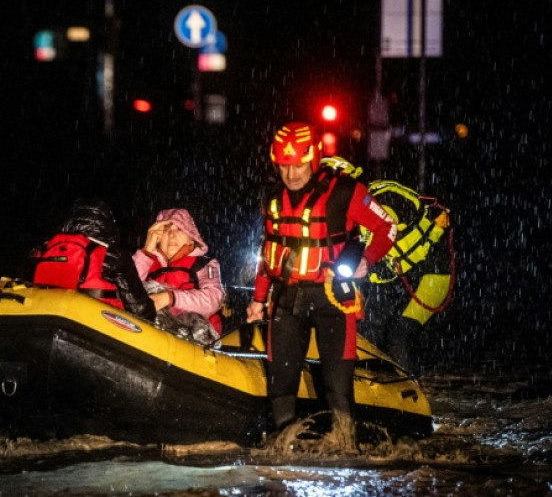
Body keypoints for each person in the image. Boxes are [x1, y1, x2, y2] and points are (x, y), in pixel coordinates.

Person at [245, 122, 396, 447]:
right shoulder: (272, 197)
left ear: (314, 159)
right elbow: (269, 251)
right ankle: (285, 452)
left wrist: (367, 259)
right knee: (281, 384)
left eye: (298, 165)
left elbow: (387, 227)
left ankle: (346, 448)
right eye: (284, 165)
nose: (291, 174)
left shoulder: (345, 190)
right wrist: (257, 299)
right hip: (286, 299)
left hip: (333, 299)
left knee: (337, 387)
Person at [362, 179, 454, 372]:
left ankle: (406, 383)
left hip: (433, 277)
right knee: (370, 326)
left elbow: (396, 243)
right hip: (404, 275)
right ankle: (368, 377)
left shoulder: (386, 201)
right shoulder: (363, 202)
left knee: (399, 333)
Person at [33, 199, 156, 322]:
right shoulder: (113, 256)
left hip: (46, 320)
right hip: (93, 326)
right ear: (107, 224)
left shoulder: (44, 250)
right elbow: (142, 312)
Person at [132, 208, 224, 345]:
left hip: (194, 342)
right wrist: (146, 251)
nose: (171, 235)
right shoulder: (146, 261)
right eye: (166, 230)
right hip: (151, 335)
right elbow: (126, 288)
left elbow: (213, 299)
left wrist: (169, 298)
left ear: (191, 238)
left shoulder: (204, 264)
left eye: (180, 229)